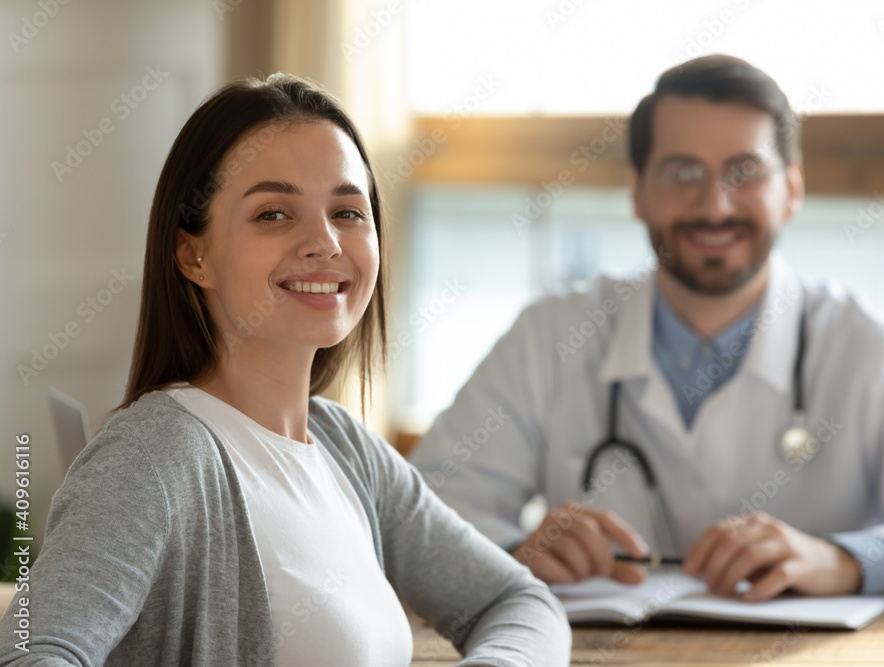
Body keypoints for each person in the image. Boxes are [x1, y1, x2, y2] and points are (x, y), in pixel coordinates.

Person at [0, 74, 570, 666]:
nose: (323, 242)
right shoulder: (154, 455)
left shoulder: (345, 449)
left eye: (348, 212)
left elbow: (519, 602)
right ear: (193, 255)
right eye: (274, 214)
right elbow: (29, 653)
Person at [410, 55, 884, 603]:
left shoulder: (873, 352)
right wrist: (517, 554)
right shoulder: (551, 336)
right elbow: (419, 516)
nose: (714, 205)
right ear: (637, 192)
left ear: (791, 189)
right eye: (681, 172)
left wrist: (846, 560)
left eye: (744, 172)